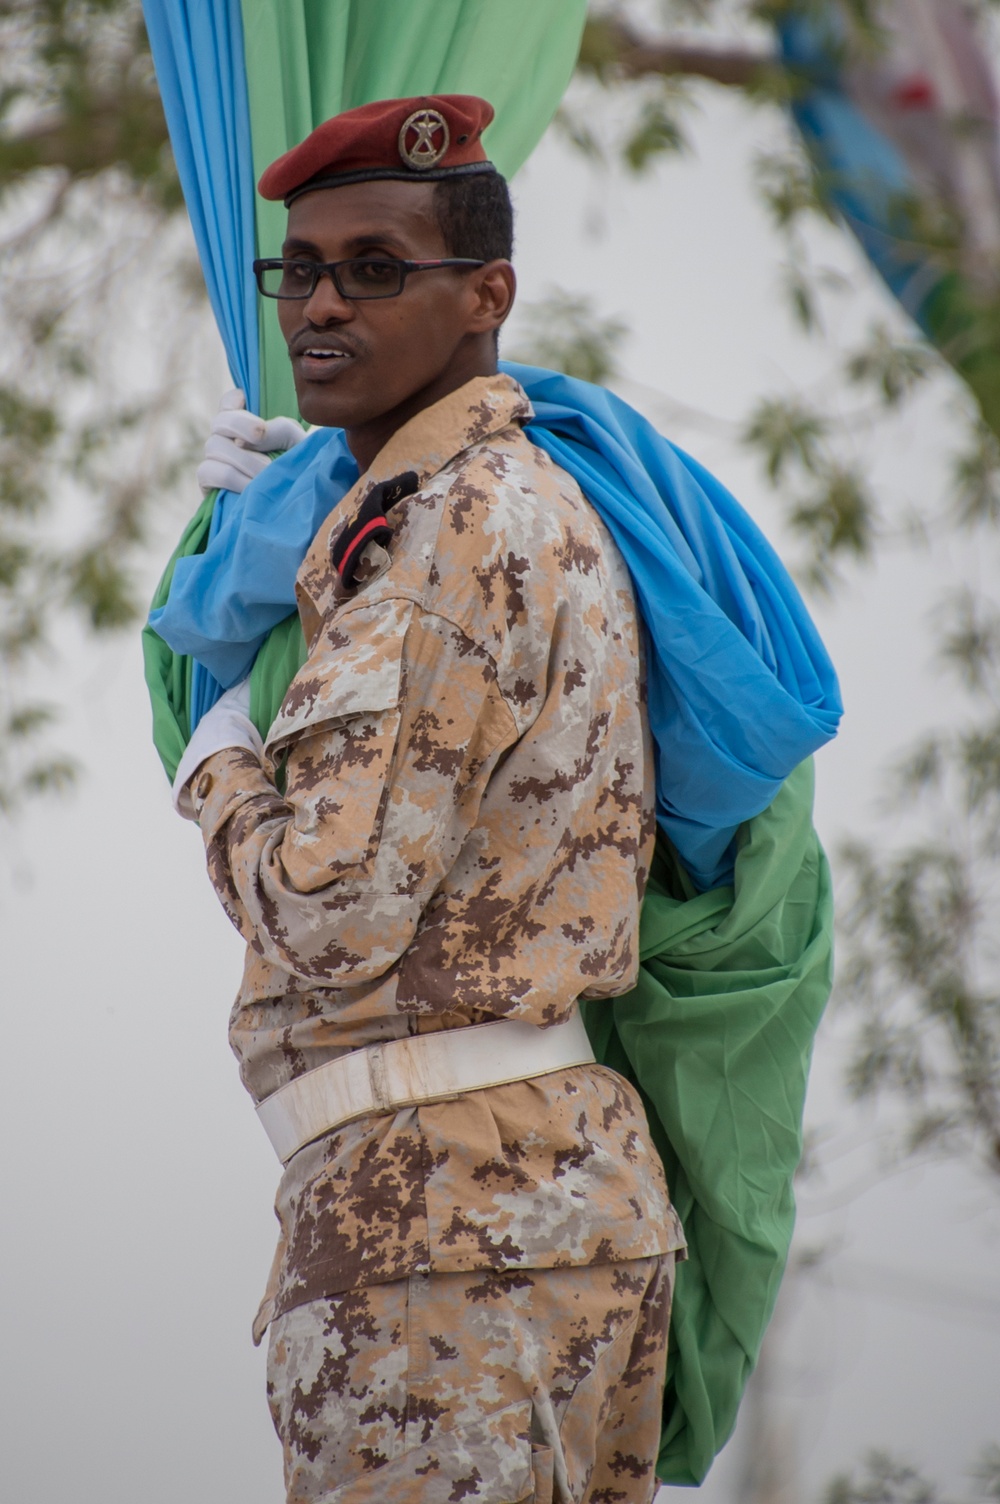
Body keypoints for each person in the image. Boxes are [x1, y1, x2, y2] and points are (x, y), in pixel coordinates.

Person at [171, 94, 686, 1504]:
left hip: (440, 1227)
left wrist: (216, 754)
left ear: (487, 294)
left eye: (375, 270)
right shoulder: (513, 498)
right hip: (543, 1211)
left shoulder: (449, 531)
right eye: (303, 269)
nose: (319, 305)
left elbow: (330, 914)